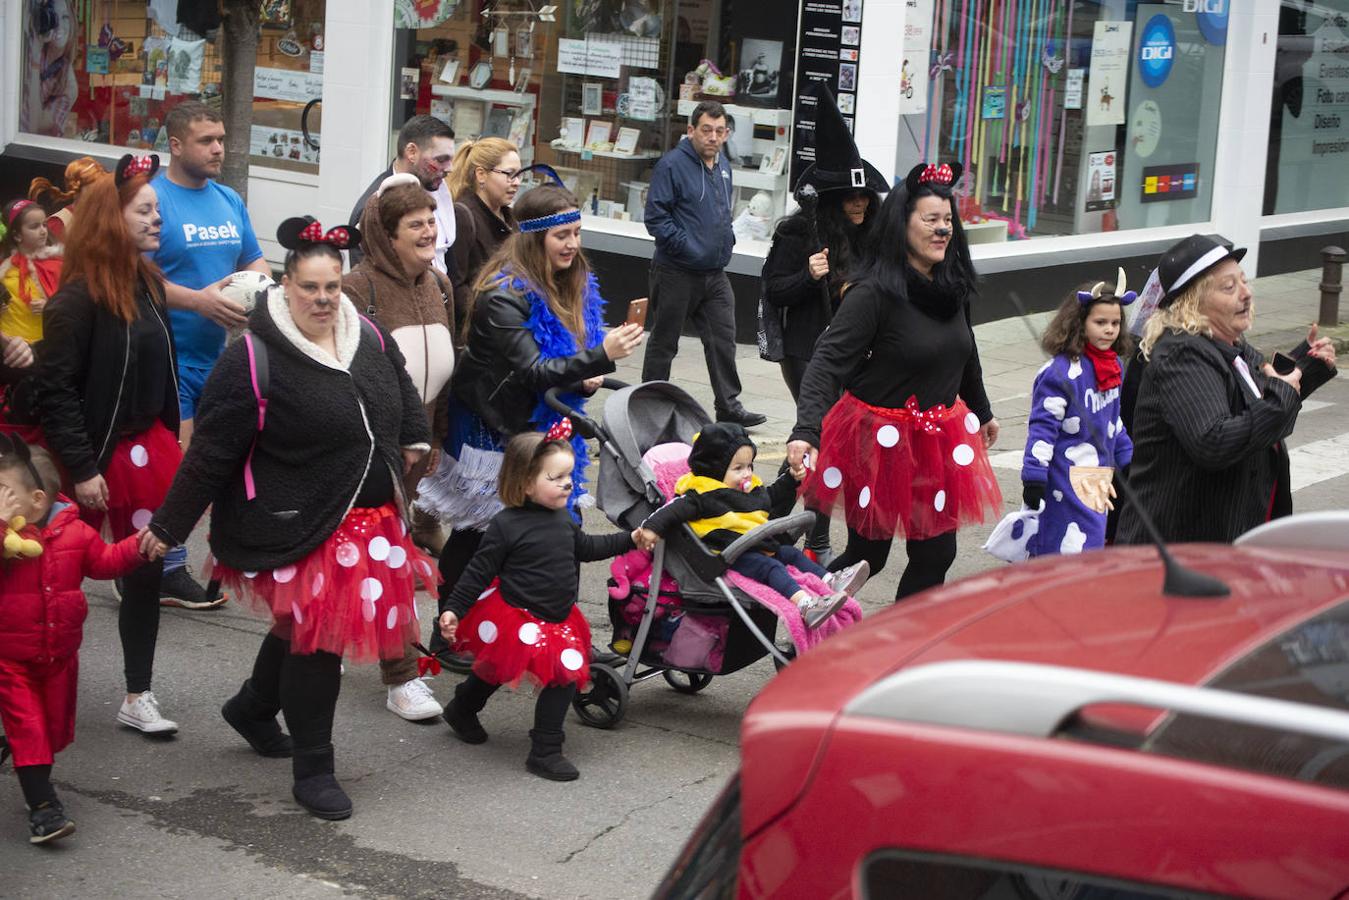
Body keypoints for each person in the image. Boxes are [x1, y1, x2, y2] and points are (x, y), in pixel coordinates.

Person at [143, 216, 438, 821]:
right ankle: (315, 769)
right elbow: (212, 454)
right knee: (319, 641)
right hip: (296, 521)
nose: (324, 299)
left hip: (370, 522)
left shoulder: (367, 335)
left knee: (301, 630)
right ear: (284, 285)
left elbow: (399, 385)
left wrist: (414, 435)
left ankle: (252, 707)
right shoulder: (252, 357)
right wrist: (167, 529)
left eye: (332, 287)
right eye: (311, 288)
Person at [417, 184, 644, 662]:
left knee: (566, 523)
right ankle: (448, 631)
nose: (573, 244)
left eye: (578, 233)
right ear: (534, 238)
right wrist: (600, 355)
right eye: (562, 235)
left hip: (547, 418)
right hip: (494, 421)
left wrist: (587, 372)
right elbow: (533, 371)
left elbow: (562, 359)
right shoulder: (503, 294)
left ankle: (565, 635)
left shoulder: (572, 279)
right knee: (480, 529)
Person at [786, 162, 1002, 600]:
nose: (943, 230)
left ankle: (901, 648)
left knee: (936, 555)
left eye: (947, 221)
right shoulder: (873, 293)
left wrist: (982, 411)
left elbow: (965, 351)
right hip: (878, 443)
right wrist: (806, 429)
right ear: (901, 226)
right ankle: (807, 615)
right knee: (869, 557)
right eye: (930, 220)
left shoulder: (951, 286)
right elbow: (826, 362)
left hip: (938, 439)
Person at [39, 154, 184, 735]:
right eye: (145, 211)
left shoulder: (147, 282)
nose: (157, 220)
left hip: (147, 451)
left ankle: (136, 694)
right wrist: (80, 467)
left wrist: (177, 428)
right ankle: (33, 694)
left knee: (145, 573)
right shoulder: (74, 301)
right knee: (54, 585)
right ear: (110, 219)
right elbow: (57, 393)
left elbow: (165, 367)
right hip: (93, 461)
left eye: (157, 210)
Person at [437, 426, 639, 781]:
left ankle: (461, 708)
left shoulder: (564, 518)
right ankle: (544, 750)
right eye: (556, 477)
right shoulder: (505, 525)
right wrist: (454, 608)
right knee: (554, 673)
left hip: (559, 615)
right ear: (526, 483)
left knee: (509, 669)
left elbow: (587, 549)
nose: (567, 483)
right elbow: (478, 572)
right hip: (519, 614)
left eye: (568, 475)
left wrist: (630, 539)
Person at [1116, 234, 1337, 545]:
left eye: (1244, 282)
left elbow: (1257, 398)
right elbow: (1215, 441)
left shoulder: (1230, 345)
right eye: (1229, 287)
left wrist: (1306, 366)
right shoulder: (1182, 354)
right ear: (1192, 302)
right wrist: (1281, 393)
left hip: (1221, 542)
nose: (1246, 294)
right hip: (1177, 553)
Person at [0, 436, 147, 844]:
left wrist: (141, 546)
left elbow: (104, 563)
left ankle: (27, 761)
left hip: (59, 656)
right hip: (9, 659)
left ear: (37, 499)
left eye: (3, 492)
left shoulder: (76, 533)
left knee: (51, 729)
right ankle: (44, 808)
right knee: (29, 729)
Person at [152, 101, 269, 609]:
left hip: (220, 360)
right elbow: (137, 277)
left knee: (220, 461)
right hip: (166, 356)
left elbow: (254, 262)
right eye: (206, 140)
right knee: (178, 467)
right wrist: (197, 300)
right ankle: (160, 567)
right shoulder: (151, 199)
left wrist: (268, 300)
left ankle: (217, 555)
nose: (218, 148)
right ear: (176, 145)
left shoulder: (227, 199)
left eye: (220, 138)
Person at [345, 174, 454, 722]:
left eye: (432, 221)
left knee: (359, 559)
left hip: (417, 448)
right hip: (368, 452)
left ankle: (312, 645)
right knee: (390, 559)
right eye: (416, 224)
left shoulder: (439, 284)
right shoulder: (354, 289)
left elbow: (445, 366)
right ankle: (400, 678)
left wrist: (434, 437)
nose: (430, 231)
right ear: (386, 235)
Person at [762, 86, 884, 562]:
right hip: (808, 352)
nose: (860, 206)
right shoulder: (798, 233)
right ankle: (809, 534)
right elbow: (774, 290)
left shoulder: (872, 236)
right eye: (851, 200)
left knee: (836, 446)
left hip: (853, 355)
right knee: (819, 439)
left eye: (865, 199)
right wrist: (807, 275)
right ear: (832, 200)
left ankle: (780, 524)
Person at [633, 423, 865, 627]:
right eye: (738, 468)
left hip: (754, 544)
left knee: (790, 554)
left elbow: (769, 497)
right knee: (772, 568)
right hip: (730, 555)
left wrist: (791, 478)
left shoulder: (747, 487)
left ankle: (830, 581)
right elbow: (671, 510)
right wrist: (652, 528)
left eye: (749, 466)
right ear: (715, 470)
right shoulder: (702, 495)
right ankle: (806, 605)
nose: (747, 473)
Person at [643, 100, 765, 428]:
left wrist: (727, 241)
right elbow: (655, 218)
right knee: (664, 342)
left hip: (714, 273)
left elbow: (722, 209)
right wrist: (690, 248)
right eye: (706, 130)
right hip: (675, 271)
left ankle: (729, 406)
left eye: (719, 131)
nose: (713, 137)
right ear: (691, 131)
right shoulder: (672, 165)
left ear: (726, 134)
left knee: (723, 339)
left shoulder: (722, 164)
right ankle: (647, 407)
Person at [1020, 272, 1136, 556]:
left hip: (1098, 477)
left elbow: (1113, 420)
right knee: (1061, 548)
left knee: (1091, 545)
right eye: (1100, 322)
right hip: (1064, 477)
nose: (1110, 329)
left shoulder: (1114, 366)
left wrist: (1128, 458)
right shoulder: (1058, 374)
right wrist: (1034, 475)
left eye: (1115, 323)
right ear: (1079, 324)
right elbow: (1042, 429)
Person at [349, 115, 456, 274]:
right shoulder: (374, 208)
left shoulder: (437, 190)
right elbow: (369, 280)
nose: (450, 168)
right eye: (441, 160)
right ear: (411, 152)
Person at [446, 137, 519, 337]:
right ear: (481, 175)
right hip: (478, 336)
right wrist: (492, 319)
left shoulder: (511, 218)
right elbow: (455, 285)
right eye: (509, 174)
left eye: (519, 175)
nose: (516, 182)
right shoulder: (463, 215)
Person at [1, 199, 62, 344]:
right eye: (34, 227)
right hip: (10, 348)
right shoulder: (4, 270)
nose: (43, 231)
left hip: (48, 345)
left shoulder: (57, 266)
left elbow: (73, 309)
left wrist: (49, 307)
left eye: (44, 225)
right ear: (17, 235)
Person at [28, 156, 109, 242]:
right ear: (77, 190)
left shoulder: (103, 217)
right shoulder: (58, 223)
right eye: (95, 189)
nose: (101, 194)